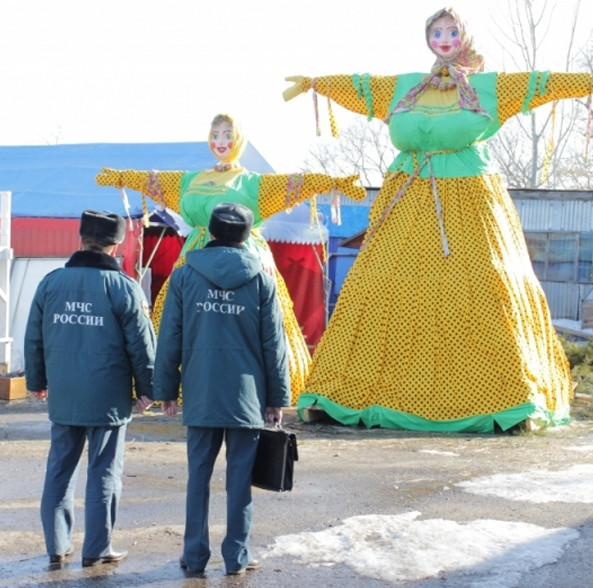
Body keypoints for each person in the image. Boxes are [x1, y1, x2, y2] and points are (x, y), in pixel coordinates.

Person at [282, 7, 593, 433]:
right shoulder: (406, 87)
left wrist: (585, 82)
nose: (444, 40)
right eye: (436, 33)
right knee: (376, 287)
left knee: (486, 291)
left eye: (451, 32)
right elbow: (362, 86)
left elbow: (543, 83)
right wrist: (317, 84)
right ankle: (346, 391)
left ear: (463, 37)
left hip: (472, 205)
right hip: (406, 201)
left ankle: (505, 397)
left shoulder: (488, 87)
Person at [96, 113, 366, 404]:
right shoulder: (191, 179)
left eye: (227, 135)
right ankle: (173, 387)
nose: (220, 141)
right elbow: (153, 180)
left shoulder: (251, 182)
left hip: (245, 253)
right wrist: (122, 177)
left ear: (239, 140)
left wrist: (333, 182)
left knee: (254, 319)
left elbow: (294, 183)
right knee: (180, 318)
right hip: (196, 254)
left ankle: (264, 390)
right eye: (216, 134)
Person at [153, 202, 290, 576]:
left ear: (210, 233)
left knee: (198, 476)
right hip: (247, 398)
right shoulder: (262, 279)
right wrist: (277, 399)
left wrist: (166, 388)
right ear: (245, 237)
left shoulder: (183, 277)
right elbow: (274, 345)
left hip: (200, 391)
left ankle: (194, 557)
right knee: (239, 482)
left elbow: (170, 338)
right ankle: (236, 557)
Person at [24, 210, 156, 567]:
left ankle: (57, 546)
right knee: (104, 473)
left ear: (79, 241)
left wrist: (37, 382)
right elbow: (141, 346)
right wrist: (148, 388)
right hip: (108, 397)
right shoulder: (123, 288)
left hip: (65, 393)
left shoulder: (50, 283)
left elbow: (33, 337)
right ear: (115, 247)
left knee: (59, 470)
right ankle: (97, 549)